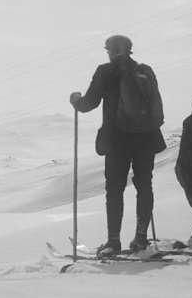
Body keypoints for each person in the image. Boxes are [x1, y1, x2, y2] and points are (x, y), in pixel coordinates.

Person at [69, 35, 166, 257]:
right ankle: (141, 238)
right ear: (130, 50)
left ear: (110, 51)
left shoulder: (105, 71)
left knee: (115, 190)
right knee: (144, 185)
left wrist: (75, 100)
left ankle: (114, 241)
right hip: (146, 137)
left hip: (117, 139)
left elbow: (89, 103)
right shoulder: (145, 71)